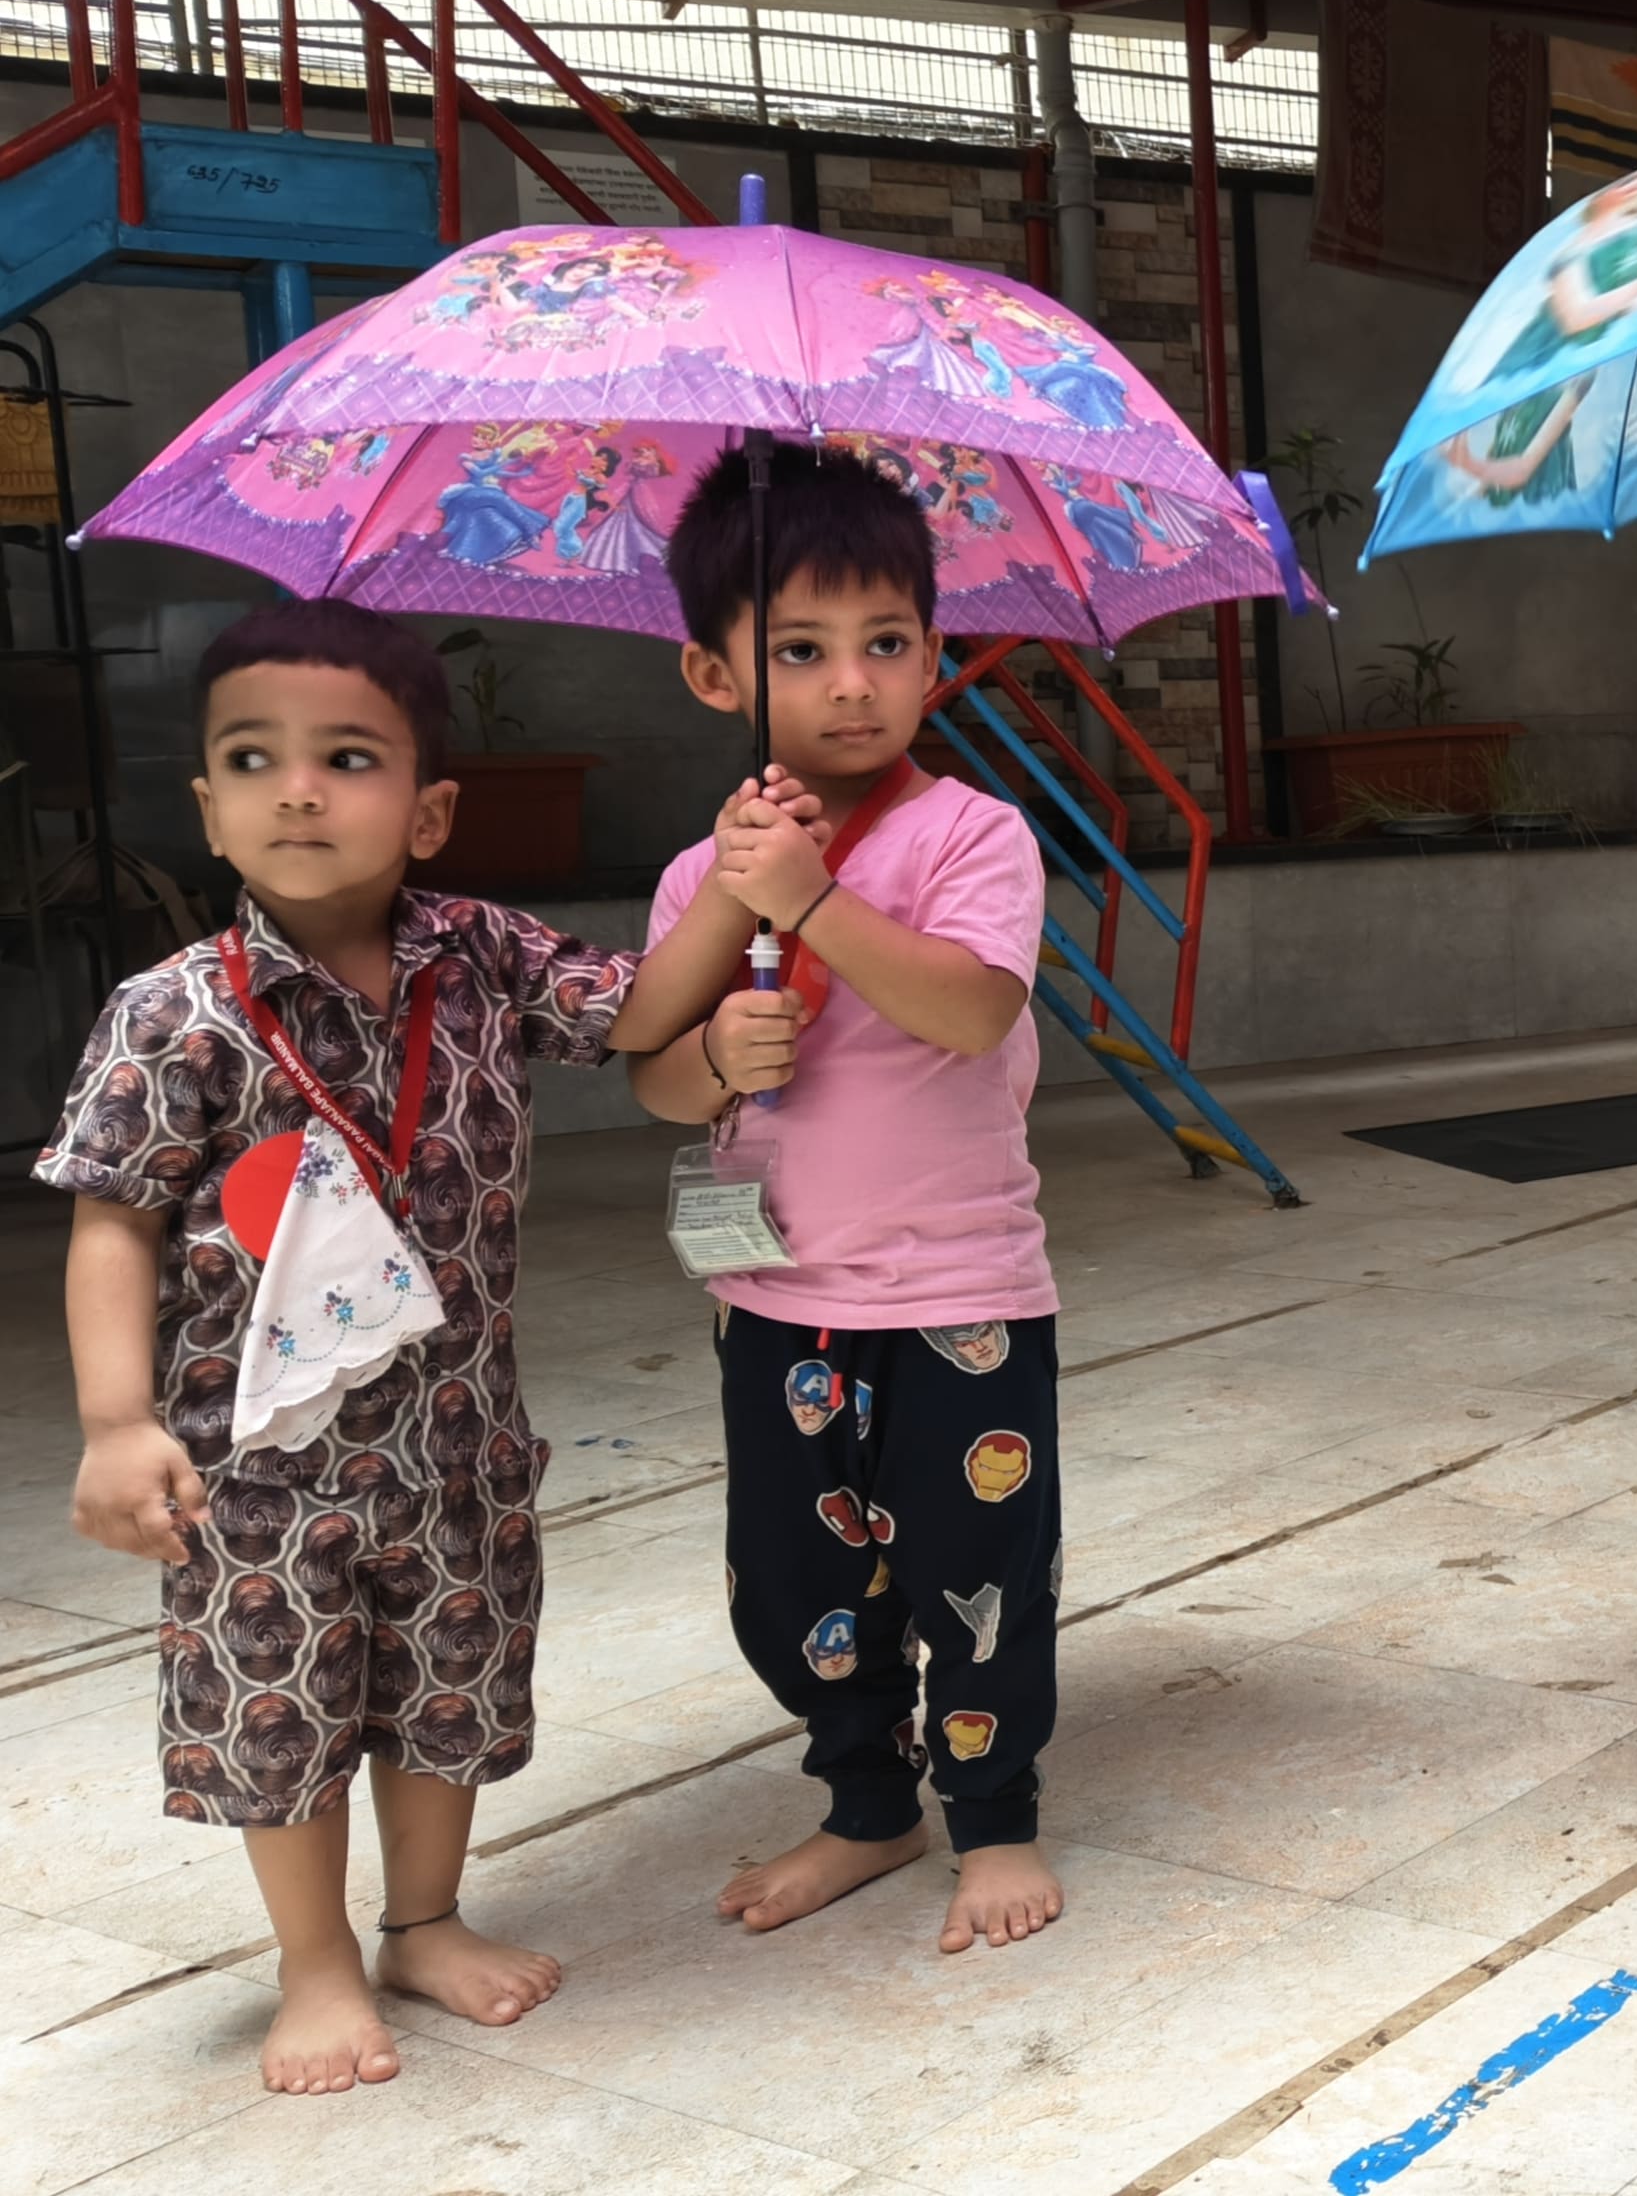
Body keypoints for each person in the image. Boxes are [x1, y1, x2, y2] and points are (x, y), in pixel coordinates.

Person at [41, 600, 727, 2093]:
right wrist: (112, 1425)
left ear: (428, 812)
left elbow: (647, 1012)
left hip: (460, 1441)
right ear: (208, 807)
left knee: (450, 1690)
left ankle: (424, 1922)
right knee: (281, 1711)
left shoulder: (483, 954)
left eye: (347, 758)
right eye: (255, 758)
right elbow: (113, 1222)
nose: (300, 789)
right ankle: (316, 1962)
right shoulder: (175, 1014)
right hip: (258, 1467)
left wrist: (743, 885)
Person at [623, 443, 1070, 1951]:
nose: (854, 685)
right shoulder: (707, 868)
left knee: (972, 1566)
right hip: (777, 1291)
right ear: (709, 672)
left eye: (888, 644)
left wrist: (816, 901)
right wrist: (716, 1054)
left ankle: (992, 1814)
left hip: (958, 1291)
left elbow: (966, 1009)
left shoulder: (971, 836)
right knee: (799, 1575)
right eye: (800, 652)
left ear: (934, 655)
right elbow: (648, 1071)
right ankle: (868, 1805)